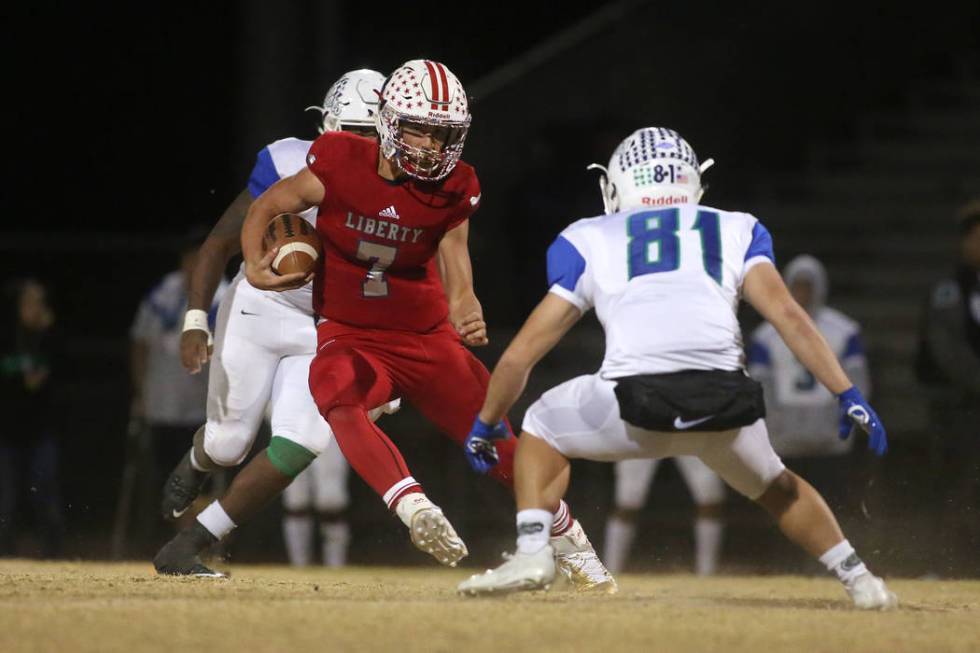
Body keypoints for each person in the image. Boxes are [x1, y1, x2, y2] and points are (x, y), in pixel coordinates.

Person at [179, 59, 610, 590]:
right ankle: (414, 507)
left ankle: (576, 547)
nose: (431, 145)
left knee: (493, 444)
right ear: (387, 120)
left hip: (425, 338)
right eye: (419, 128)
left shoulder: (457, 185)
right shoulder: (337, 158)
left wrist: (464, 299)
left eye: (443, 133)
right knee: (332, 387)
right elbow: (267, 206)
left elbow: (456, 255)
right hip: (352, 333)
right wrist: (254, 263)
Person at [457, 127, 897, 610]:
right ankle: (861, 581)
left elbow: (522, 353)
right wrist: (847, 392)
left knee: (541, 422)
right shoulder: (736, 228)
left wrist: (486, 421)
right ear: (693, 181)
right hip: (726, 407)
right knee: (779, 486)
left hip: (634, 408)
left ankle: (533, 551)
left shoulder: (588, 238)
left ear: (616, 183)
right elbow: (789, 316)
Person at [153, 70, 397, 576]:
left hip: (325, 327)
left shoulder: (400, 187)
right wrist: (196, 318)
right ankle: (200, 459)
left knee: (304, 441)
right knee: (228, 445)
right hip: (258, 310)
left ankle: (189, 545)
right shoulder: (287, 160)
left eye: (372, 134)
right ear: (327, 126)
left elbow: (402, 283)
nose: (360, 144)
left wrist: (390, 362)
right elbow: (220, 240)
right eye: (352, 131)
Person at [747, 255, 870, 523]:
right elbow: (760, 388)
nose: (802, 292)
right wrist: (773, 429)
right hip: (785, 439)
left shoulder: (844, 331)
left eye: (808, 285)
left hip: (830, 438)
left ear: (820, 287)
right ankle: (785, 560)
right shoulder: (766, 335)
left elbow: (857, 381)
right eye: (797, 285)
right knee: (787, 507)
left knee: (833, 503)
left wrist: (845, 424)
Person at [131, 237, 227, 543]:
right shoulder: (163, 293)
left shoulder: (225, 294)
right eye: (190, 260)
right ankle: (179, 542)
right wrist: (140, 392)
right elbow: (140, 343)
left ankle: (203, 543)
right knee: (169, 479)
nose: (193, 267)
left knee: (205, 480)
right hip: (164, 405)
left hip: (204, 407)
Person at [916, 199, 980, 570]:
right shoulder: (949, 290)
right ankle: (945, 562)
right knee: (951, 485)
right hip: (956, 405)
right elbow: (946, 350)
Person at [0, 279, 64, 557]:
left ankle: (53, 553)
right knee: (5, 499)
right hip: (6, 431)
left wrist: (49, 335)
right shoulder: (5, 337)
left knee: (45, 492)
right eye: (28, 302)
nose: (34, 309)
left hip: (41, 430)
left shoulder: (50, 338)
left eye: (39, 302)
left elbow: (62, 369)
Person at [604, 457, 725, 576]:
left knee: (710, 495)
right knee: (628, 501)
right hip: (648, 438)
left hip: (686, 437)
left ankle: (708, 573)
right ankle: (612, 571)